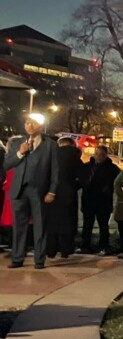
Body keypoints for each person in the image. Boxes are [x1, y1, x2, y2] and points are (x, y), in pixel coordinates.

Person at [4, 113, 59, 269]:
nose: (29, 126)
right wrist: (20, 153)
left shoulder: (50, 145)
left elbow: (55, 171)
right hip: (19, 190)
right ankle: (17, 257)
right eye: (27, 123)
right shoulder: (17, 143)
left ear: (40, 126)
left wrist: (52, 191)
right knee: (19, 227)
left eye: (33, 123)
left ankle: (39, 259)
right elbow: (7, 165)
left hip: (39, 191)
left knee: (40, 226)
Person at [46, 137, 83, 259]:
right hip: (69, 193)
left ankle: (50, 250)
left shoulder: (52, 154)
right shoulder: (75, 157)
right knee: (67, 221)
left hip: (52, 192)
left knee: (52, 222)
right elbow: (82, 176)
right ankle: (66, 250)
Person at [80, 145, 121, 255]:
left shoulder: (112, 168)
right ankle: (85, 245)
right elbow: (82, 180)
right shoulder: (87, 166)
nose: (98, 157)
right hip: (88, 200)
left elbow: (118, 182)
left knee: (103, 225)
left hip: (103, 201)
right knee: (87, 224)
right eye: (97, 154)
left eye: (101, 154)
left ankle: (104, 246)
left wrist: (107, 189)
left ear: (105, 155)